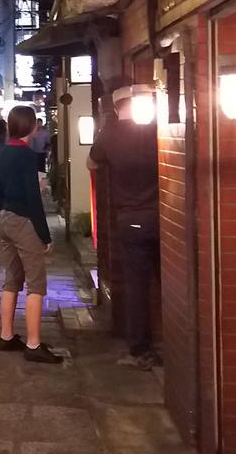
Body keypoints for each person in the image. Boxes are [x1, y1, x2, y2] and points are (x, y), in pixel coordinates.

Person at [88, 87, 161, 370]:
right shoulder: (157, 129)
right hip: (163, 217)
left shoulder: (111, 134)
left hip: (130, 219)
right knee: (170, 282)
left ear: (116, 108)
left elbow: (91, 162)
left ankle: (140, 350)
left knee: (137, 287)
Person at [0, 105, 63, 364]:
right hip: (24, 220)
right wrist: (45, 236)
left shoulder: (3, 152)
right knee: (36, 284)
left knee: (11, 279)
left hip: (6, 217)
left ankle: (6, 335)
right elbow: (33, 199)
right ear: (31, 126)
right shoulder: (27, 156)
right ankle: (33, 344)